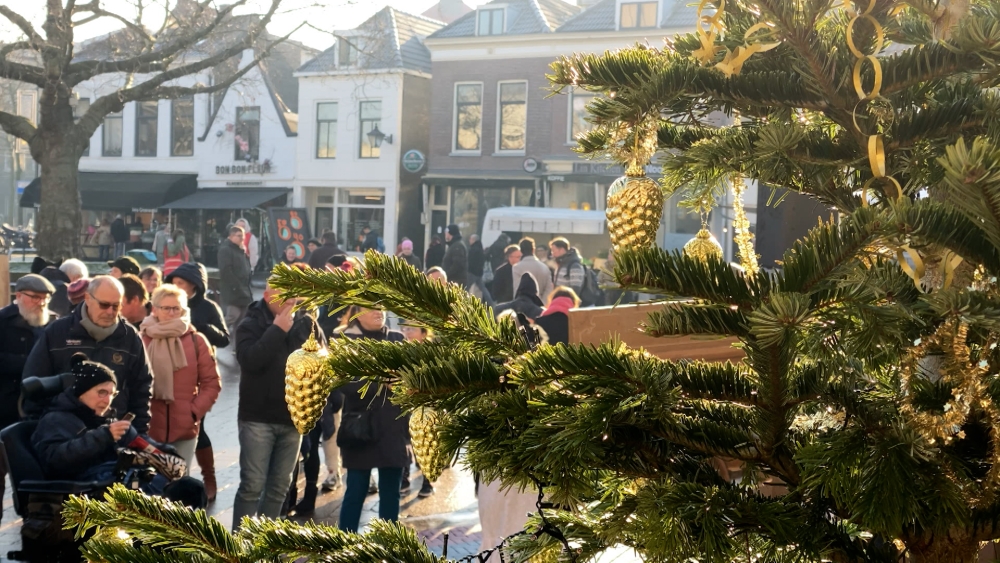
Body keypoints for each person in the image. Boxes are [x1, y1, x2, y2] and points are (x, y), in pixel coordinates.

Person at [232, 282, 321, 529]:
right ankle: (239, 545)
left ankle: (265, 542)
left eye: (294, 296)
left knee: (279, 486)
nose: (291, 302)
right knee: (252, 485)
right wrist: (277, 330)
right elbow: (250, 360)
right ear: (268, 295)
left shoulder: (306, 322)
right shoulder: (250, 323)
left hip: (293, 418)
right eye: (284, 297)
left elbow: (320, 360)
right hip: (257, 418)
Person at [23, 275, 154, 434]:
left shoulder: (130, 337)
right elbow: (35, 384)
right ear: (88, 298)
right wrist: (38, 428)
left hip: (113, 433)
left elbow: (142, 389)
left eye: (116, 306)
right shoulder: (58, 332)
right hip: (64, 432)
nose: (110, 312)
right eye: (104, 305)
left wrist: (138, 433)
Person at [31, 354, 185, 488]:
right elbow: (55, 460)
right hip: (84, 489)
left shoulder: (107, 419)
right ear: (81, 393)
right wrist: (104, 436)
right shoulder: (56, 419)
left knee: (187, 488)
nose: (107, 400)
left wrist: (165, 452)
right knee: (158, 489)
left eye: (112, 394)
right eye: (102, 392)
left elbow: (138, 441)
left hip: (113, 480)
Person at [335, 306, 408, 532]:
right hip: (360, 428)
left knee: (390, 494)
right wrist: (379, 381)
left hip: (393, 428)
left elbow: (413, 376)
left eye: (381, 308)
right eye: (371, 308)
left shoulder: (397, 339)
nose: (379, 312)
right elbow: (343, 383)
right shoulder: (346, 340)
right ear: (357, 311)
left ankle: (388, 547)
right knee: (355, 491)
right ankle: (344, 547)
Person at [163, 261, 229, 501]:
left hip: (198, 377)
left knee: (198, 429)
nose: (176, 286)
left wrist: (201, 328)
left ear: (194, 285)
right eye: (174, 282)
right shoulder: (165, 305)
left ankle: (208, 478)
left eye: (181, 283)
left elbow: (224, 339)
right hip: (168, 378)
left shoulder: (208, 307)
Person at [140, 285, 221, 468]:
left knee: (179, 484)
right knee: (151, 487)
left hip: (185, 428)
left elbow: (211, 382)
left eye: (176, 308)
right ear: (155, 309)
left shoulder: (196, 340)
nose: (171, 313)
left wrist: (193, 412)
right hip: (149, 427)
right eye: (166, 308)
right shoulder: (142, 339)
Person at [0, 274, 56, 430]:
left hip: (40, 404)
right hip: (6, 402)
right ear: (18, 296)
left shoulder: (53, 324)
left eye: (45, 298)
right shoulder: (3, 321)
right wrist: (29, 363)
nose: (41, 303)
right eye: (35, 297)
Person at [218, 225, 253, 334]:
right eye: (239, 236)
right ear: (231, 236)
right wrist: (236, 286)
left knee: (242, 320)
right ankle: (216, 331)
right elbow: (226, 271)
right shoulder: (226, 250)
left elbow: (246, 268)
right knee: (233, 315)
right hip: (233, 290)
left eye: (243, 236)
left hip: (244, 290)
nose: (242, 239)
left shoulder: (240, 250)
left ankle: (237, 346)